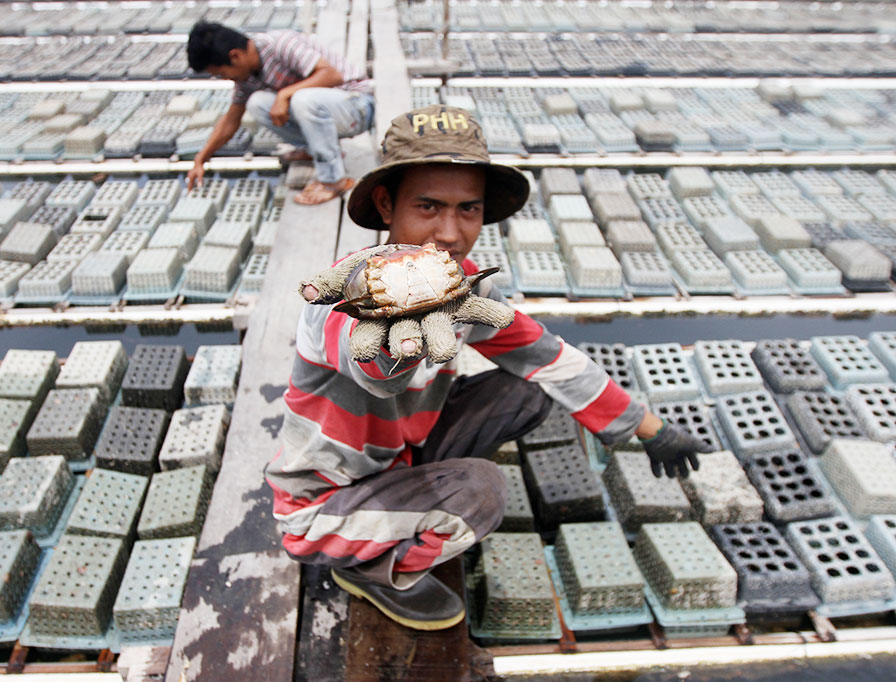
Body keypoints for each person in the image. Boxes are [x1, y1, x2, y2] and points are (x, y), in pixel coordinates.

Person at [266, 105, 708, 631]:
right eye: (428, 207)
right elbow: (376, 370)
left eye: (467, 210)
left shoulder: (467, 284)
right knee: (480, 492)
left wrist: (649, 429)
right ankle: (375, 571)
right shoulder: (345, 294)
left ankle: (408, 497)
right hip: (325, 502)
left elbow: (546, 355)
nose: (449, 232)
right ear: (386, 205)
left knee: (531, 389)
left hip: (395, 455)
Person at [185, 22, 374, 205]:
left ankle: (333, 181)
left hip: (357, 106)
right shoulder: (247, 78)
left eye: (221, 73)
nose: (225, 78)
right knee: (257, 103)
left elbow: (332, 75)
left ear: (235, 56)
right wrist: (201, 159)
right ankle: (314, 149)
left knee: (302, 99)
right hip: (328, 113)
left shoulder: (280, 44)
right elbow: (230, 121)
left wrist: (284, 95)